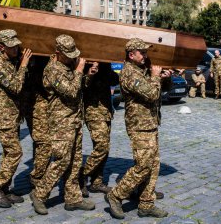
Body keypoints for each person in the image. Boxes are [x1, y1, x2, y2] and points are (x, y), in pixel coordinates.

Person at [105, 38, 170, 219]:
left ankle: (146, 203)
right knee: (142, 166)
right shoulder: (128, 74)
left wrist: (165, 78)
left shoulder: (141, 70)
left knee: (153, 165)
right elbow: (151, 94)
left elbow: (160, 92)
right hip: (139, 125)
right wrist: (156, 77)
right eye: (142, 52)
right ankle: (116, 195)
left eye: (146, 52)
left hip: (150, 123)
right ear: (131, 54)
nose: (145, 56)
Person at [30, 34, 95, 215]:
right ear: (58, 52)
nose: (73, 57)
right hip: (61, 122)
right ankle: (40, 194)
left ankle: (73, 198)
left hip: (74, 119)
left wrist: (87, 75)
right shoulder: (52, 70)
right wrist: (80, 69)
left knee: (75, 161)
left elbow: (79, 87)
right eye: (69, 54)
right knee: (61, 161)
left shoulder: (67, 67)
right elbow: (72, 92)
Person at [0, 29, 32, 208]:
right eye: (12, 47)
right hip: (4, 117)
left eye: (17, 45)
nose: (16, 49)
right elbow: (15, 87)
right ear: (1, 47)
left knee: (8, 153)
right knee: (15, 152)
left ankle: (5, 188)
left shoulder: (10, 61)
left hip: (13, 115)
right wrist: (23, 65)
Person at [80, 62, 119, 197]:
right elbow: (80, 85)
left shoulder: (106, 65)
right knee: (101, 147)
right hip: (93, 111)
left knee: (104, 149)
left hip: (106, 112)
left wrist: (106, 68)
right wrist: (90, 72)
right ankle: (80, 176)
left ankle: (97, 183)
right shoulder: (85, 64)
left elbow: (115, 80)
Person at [21, 56, 51, 188]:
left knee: (40, 142)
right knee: (44, 143)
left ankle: (40, 171)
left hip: (43, 105)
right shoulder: (33, 64)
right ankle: (37, 176)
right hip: (34, 105)